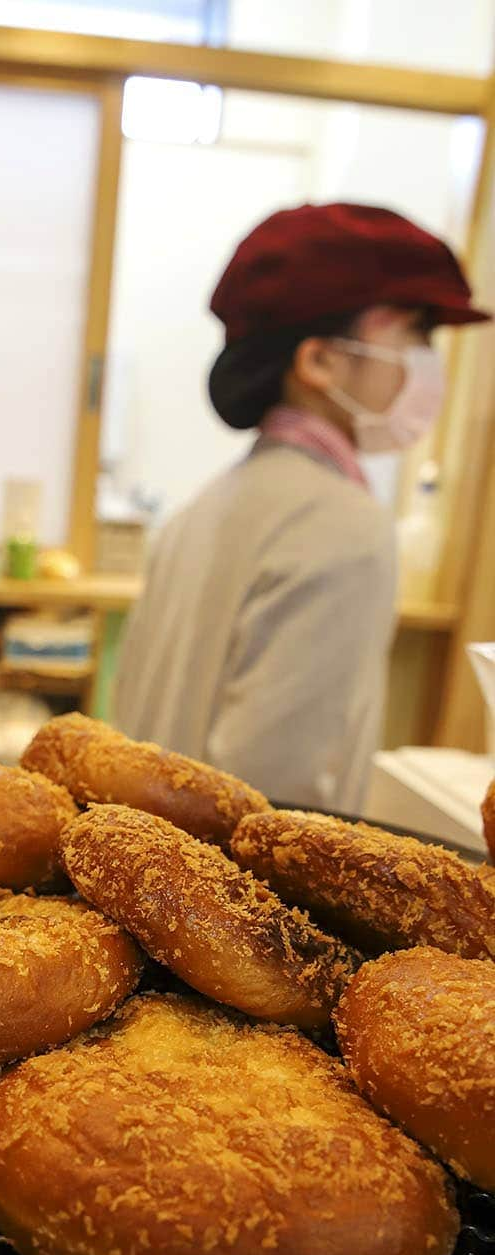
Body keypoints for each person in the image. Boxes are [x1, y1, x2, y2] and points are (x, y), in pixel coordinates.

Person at [112, 203, 490, 813]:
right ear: (318, 360)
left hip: (155, 883)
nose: (429, 360)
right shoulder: (341, 524)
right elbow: (283, 806)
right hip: (241, 901)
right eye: (416, 331)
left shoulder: (203, 508)